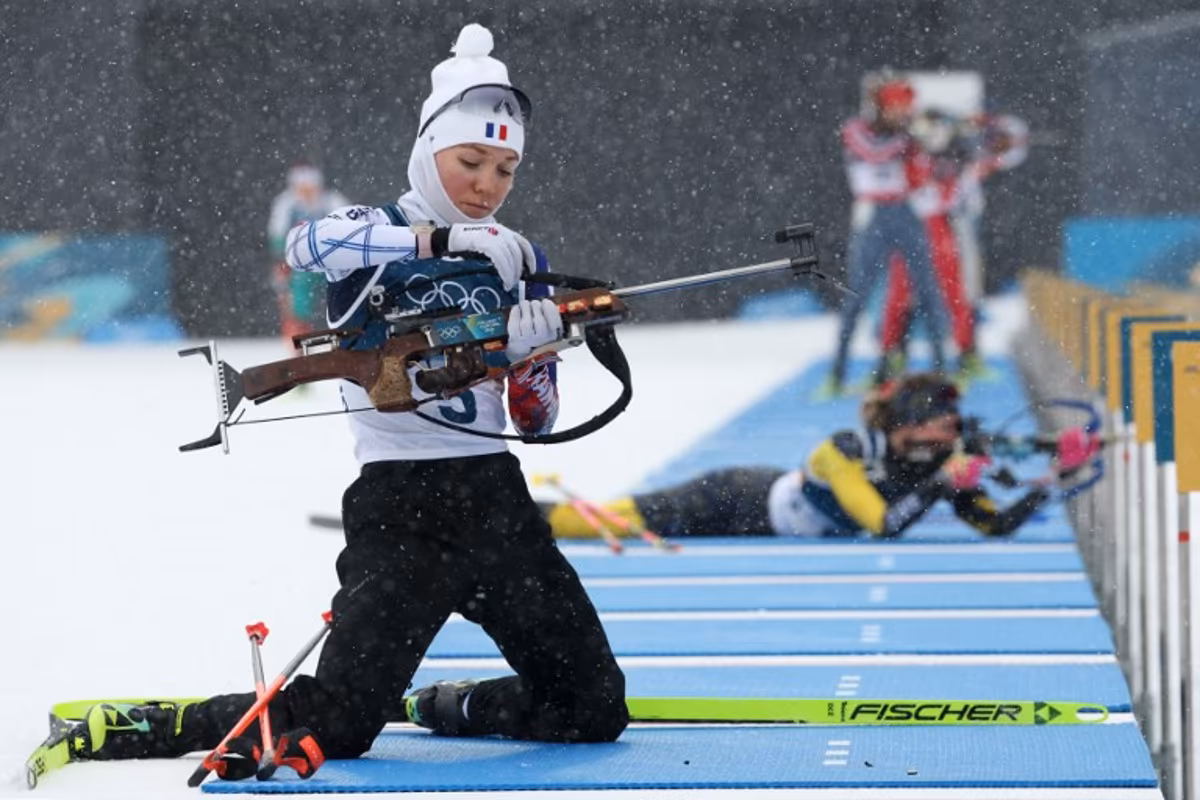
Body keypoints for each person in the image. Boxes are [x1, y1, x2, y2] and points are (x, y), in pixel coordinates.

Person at [68, 23, 627, 778]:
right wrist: (441, 244)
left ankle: (449, 706)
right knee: (343, 721)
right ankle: (160, 722)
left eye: (505, 168)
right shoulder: (376, 232)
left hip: (496, 501)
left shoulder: (518, 256)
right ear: (428, 150)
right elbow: (306, 246)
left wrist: (531, 357)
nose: (487, 185)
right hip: (402, 512)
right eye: (469, 160)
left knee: (593, 706)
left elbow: (537, 419)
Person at [545, 373, 1094, 540]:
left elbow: (993, 524)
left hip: (762, 520)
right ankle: (523, 512)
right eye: (939, 423)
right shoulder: (845, 451)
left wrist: (1050, 479)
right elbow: (881, 523)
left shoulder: (934, 464)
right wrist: (940, 484)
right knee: (585, 523)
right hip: (732, 499)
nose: (948, 436)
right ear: (909, 421)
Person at [878, 110, 1030, 377]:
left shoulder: (976, 161)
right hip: (916, 219)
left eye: (1001, 144)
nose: (995, 143)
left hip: (945, 223)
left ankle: (965, 354)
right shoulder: (964, 131)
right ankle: (892, 355)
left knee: (957, 293)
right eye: (999, 139)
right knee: (902, 291)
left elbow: (960, 186)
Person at [828, 72, 946, 394]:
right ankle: (837, 375)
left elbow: (927, 169)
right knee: (857, 295)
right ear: (880, 106)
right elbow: (874, 152)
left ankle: (941, 372)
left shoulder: (907, 135)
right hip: (872, 215)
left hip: (904, 213)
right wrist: (909, 138)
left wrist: (929, 143)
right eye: (895, 107)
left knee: (929, 291)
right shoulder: (857, 130)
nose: (901, 114)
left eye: (904, 108)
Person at [267, 161, 349, 344]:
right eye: (302, 188)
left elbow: (349, 231)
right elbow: (278, 237)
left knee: (341, 298)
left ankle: (342, 338)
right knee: (297, 306)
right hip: (298, 266)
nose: (307, 193)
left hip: (331, 261)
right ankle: (297, 342)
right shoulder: (286, 205)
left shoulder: (332, 201)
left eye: (310, 188)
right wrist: (281, 264)